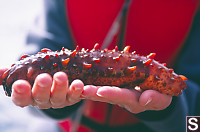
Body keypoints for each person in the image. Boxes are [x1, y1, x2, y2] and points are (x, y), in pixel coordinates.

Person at [0, 0, 200, 131]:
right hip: (65, 127)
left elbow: (195, 124)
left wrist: (173, 112)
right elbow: (32, 80)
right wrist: (50, 105)